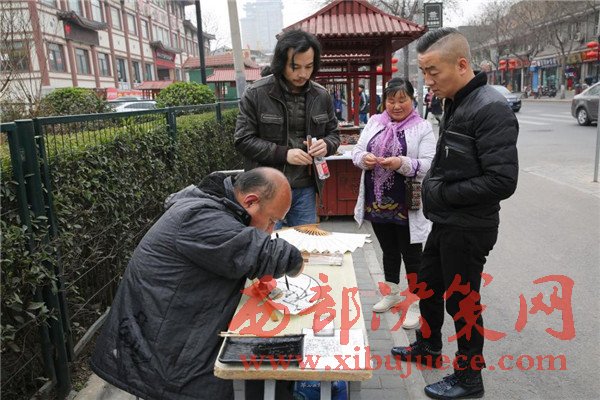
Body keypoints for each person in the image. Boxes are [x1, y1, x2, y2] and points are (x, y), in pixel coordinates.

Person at [90, 168, 304, 400]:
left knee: (279, 369)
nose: (270, 230)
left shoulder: (214, 206)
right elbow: (261, 252)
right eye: (272, 221)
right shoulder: (197, 217)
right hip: (164, 358)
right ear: (250, 201)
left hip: (178, 332)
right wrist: (296, 262)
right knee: (268, 379)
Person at [391, 27, 518, 399]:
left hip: (470, 226)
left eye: (433, 72)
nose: (427, 81)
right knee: (427, 285)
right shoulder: (456, 101)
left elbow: (502, 181)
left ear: (462, 65)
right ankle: (429, 347)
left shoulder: (490, 108)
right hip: (447, 221)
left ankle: (469, 377)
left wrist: (442, 193)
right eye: (424, 72)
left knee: (462, 301)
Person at [352, 77, 436, 329]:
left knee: (412, 255)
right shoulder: (374, 122)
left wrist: (402, 163)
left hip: (406, 202)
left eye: (402, 100)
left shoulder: (422, 127)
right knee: (388, 250)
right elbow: (357, 151)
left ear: (412, 100)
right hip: (377, 201)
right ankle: (392, 293)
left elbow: (429, 164)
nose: (396, 105)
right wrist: (364, 158)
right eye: (391, 100)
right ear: (384, 102)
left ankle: (416, 303)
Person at [234, 29, 340, 229]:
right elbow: (243, 139)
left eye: (309, 66)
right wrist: (283, 154)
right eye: (295, 67)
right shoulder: (256, 93)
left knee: (306, 243)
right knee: (265, 244)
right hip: (265, 190)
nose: (303, 74)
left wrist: (326, 145)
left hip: (306, 188)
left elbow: (334, 134)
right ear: (281, 62)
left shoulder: (321, 96)